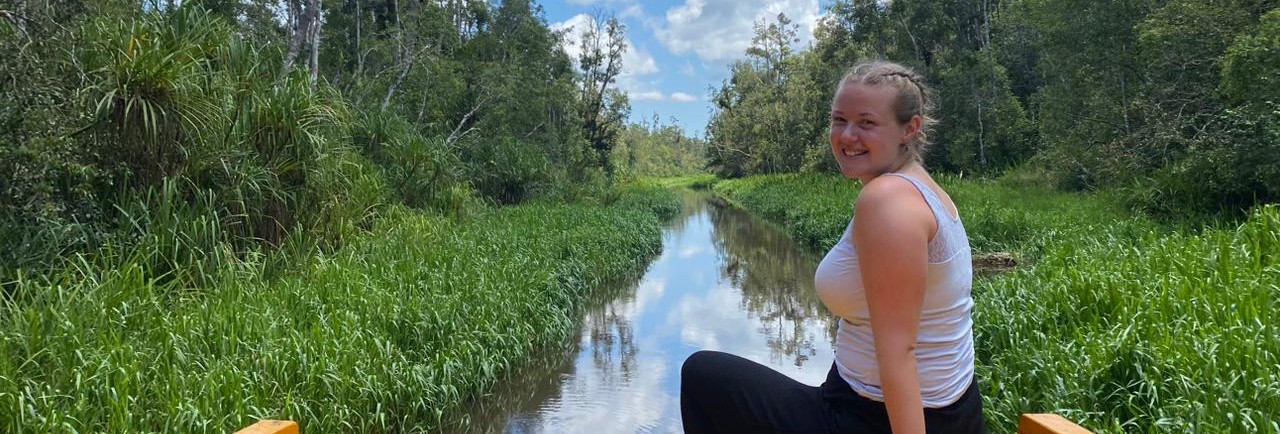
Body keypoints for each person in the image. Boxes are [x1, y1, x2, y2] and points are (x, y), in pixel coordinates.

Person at [680, 60, 987, 433]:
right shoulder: (921, 187)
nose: (847, 135)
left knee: (703, 377)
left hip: (878, 417)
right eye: (839, 120)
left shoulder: (888, 201)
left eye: (866, 123)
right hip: (931, 406)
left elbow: (899, 352)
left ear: (910, 128)